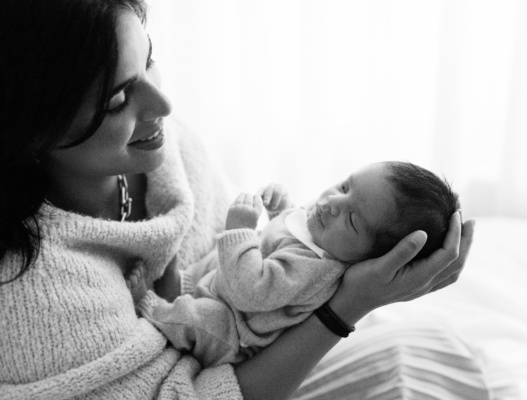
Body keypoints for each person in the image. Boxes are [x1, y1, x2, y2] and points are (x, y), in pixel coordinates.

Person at [0, 1, 479, 399]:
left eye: (148, 60)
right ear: (30, 127)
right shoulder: (31, 290)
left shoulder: (164, 149)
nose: (164, 106)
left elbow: (242, 262)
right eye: (117, 101)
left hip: (247, 355)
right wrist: (351, 305)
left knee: (434, 348)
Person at [129, 161, 460, 368]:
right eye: (345, 186)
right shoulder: (324, 234)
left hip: (235, 330)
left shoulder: (316, 269)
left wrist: (239, 230)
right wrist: (279, 207)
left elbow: (251, 291)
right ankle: (180, 285)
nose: (332, 203)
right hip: (225, 291)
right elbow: (283, 237)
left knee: (202, 317)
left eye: (353, 219)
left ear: (372, 258)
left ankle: (154, 309)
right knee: (212, 265)